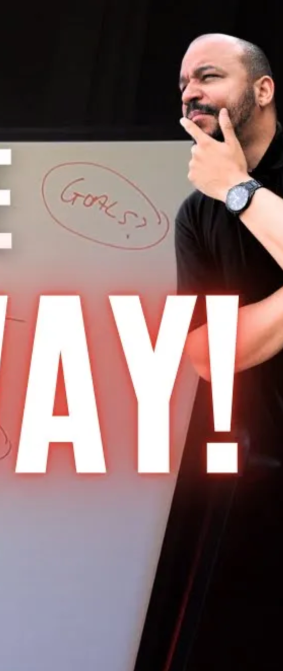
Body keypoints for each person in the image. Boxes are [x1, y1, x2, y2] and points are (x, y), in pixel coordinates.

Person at [177, 33, 283, 447]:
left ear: (263, 91)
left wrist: (236, 187)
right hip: (255, 458)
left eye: (208, 76)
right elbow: (206, 355)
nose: (190, 93)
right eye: (184, 84)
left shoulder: (222, 191)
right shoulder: (196, 213)